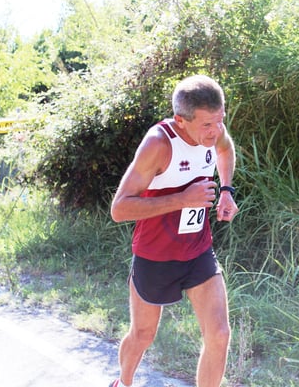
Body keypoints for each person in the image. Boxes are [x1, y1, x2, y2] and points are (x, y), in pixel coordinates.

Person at [109, 75, 239, 387]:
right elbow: (120, 209)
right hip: (155, 256)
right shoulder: (159, 144)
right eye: (206, 124)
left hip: (198, 251)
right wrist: (182, 199)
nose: (215, 131)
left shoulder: (214, 132)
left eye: (220, 120)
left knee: (219, 335)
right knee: (143, 335)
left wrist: (226, 190)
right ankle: (122, 383)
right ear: (181, 120)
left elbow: (225, 149)